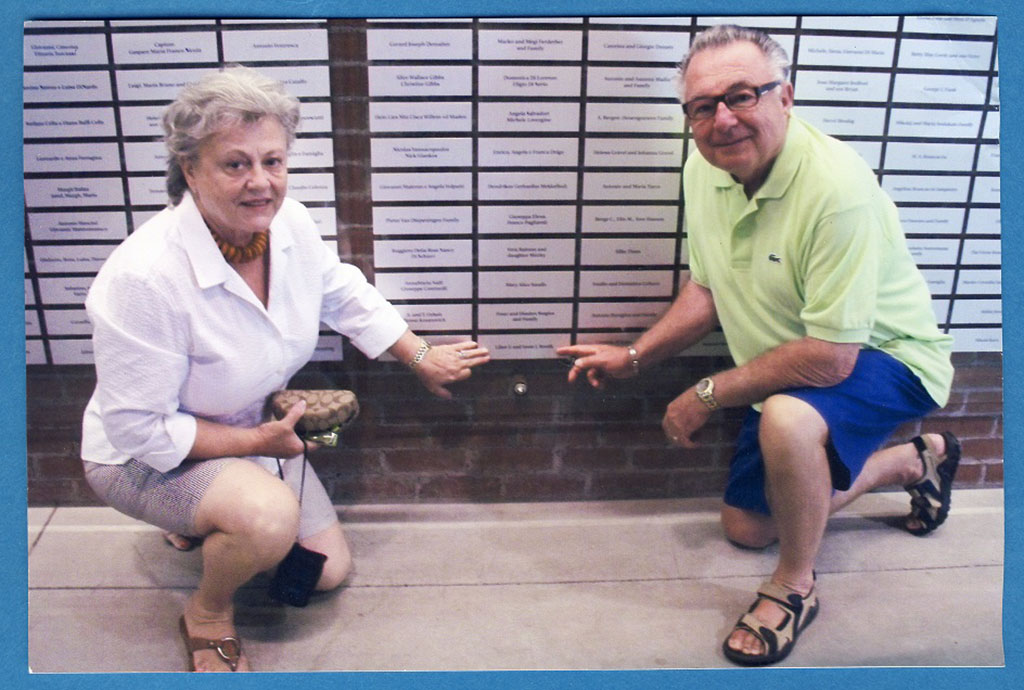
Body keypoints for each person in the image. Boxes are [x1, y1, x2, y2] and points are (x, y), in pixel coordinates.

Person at [558, 25, 959, 667]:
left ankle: (795, 588)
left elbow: (831, 358)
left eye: (742, 96)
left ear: (786, 97)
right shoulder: (704, 165)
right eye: (702, 106)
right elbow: (707, 288)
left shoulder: (837, 191)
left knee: (787, 416)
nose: (723, 120)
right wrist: (634, 357)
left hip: (888, 355)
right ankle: (912, 463)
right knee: (748, 528)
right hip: (792, 367)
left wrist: (705, 392)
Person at [79, 66, 490, 672]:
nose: (260, 183)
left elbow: (341, 290)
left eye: (273, 161)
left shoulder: (287, 221)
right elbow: (138, 429)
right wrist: (256, 443)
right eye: (235, 164)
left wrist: (420, 355)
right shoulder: (143, 278)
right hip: (142, 456)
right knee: (268, 521)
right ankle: (209, 612)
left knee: (327, 573)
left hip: (247, 431)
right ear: (189, 170)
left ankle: (201, 526)